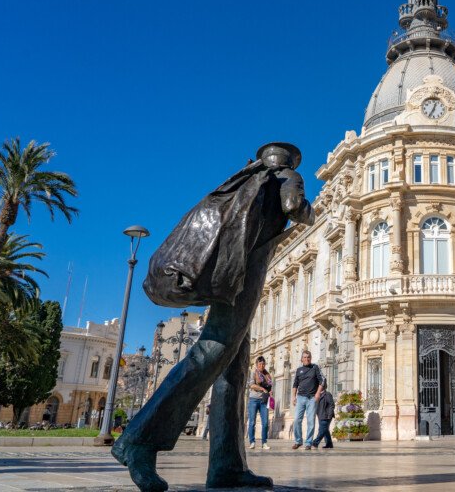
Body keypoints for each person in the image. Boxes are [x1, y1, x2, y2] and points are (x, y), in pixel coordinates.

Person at [111, 142, 314, 491]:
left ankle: (227, 464)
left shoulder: (241, 182)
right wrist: (311, 211)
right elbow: (294, 207)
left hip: (226, 276)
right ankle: (137, 439)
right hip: (244, 276)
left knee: (233, 370)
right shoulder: (286, 177)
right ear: (290, 160)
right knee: (212, 352)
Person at [292, 350, 324, 450]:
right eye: (305, 357)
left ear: (310, 358)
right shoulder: (299, 370)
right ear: (302, 359)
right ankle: (298, 441)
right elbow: (295, 384)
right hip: (300, 397)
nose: (306, 359)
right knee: (297, 420)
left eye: (308, 357)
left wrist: (318, 393)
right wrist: (293, 396)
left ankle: (308, 442)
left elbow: (321, 381)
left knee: (311, 421)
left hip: (311, 399)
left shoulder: (315, 367)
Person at [247, 356, 272, 450]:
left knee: (265, 422)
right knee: (252, 422)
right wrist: (262, 388)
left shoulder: (267, 375)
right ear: (257, 365)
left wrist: (269, 391)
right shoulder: (253, 373)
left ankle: (264, 442)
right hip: (253, 399)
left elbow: (269, 386)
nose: (262, 365)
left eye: (263, 364)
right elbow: (251, 385)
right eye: (260, 364)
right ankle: (252, 442)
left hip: (264, 401)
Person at [311, 381, 335, 449]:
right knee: (325, 430)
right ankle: (329, 444)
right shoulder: (317, 395)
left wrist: (329, 415)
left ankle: (315, 443)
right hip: (320, 415)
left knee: (321, 430)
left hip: (326, 415)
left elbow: (331, 405)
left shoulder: (327, 394)